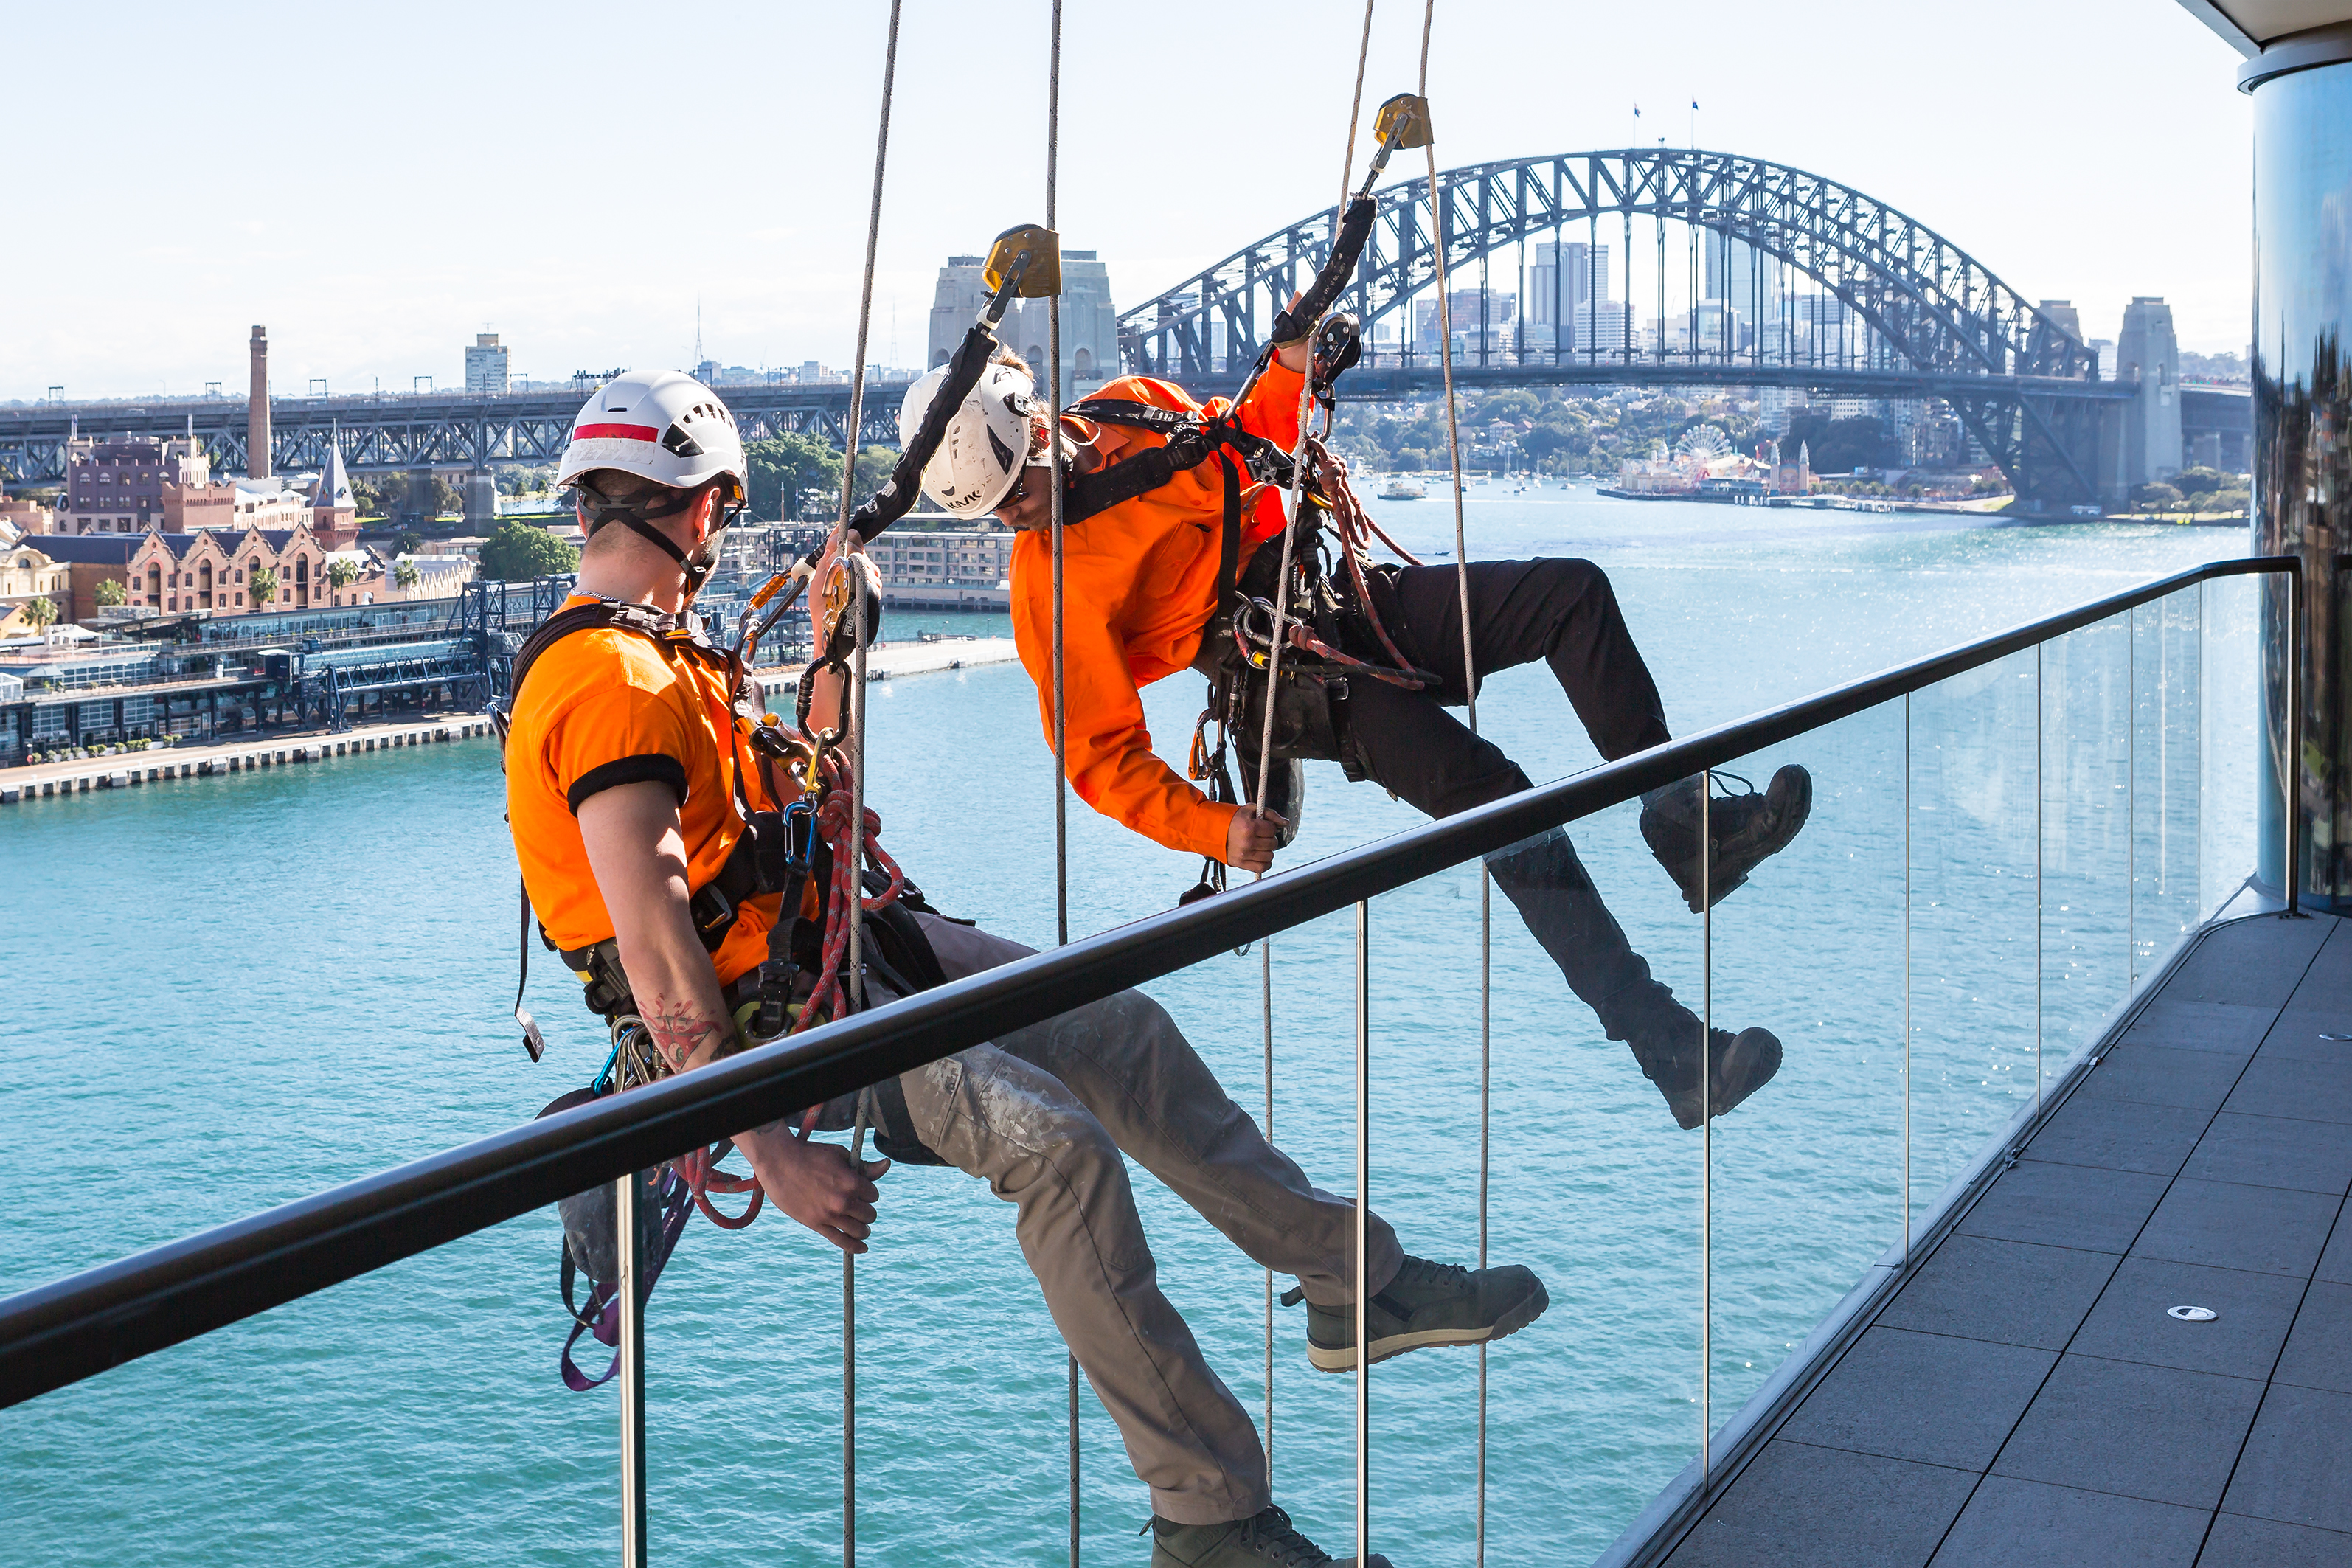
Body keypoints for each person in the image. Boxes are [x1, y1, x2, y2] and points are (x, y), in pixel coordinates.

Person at [502, 370, 1548, 1568]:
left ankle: (1351, 1279)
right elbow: (653, 944)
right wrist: (771, 1148)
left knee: (1119, 1027)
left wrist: (834, 653)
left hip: (845, 951)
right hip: (775, 1025)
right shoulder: (611, 683)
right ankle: (1213, 1523)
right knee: (1051, 1149)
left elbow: (813, 801)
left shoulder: (665, 658)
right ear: (702, 510)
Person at [896, 340, 1811, 1132]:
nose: (1016, 514)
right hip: (1299, 680)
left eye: (1020, 488)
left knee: (1572, 596)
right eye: (998, 509)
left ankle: (1686, 828)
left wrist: (1294, 363)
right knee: (1501, 801)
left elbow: (1252, 433)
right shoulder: (1046, 589)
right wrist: (1213, 830)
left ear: (1038, 424)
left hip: (1344, 596)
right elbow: (1101, 758)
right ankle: (1673, 1053)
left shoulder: (1131, 409)